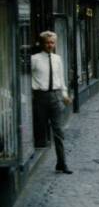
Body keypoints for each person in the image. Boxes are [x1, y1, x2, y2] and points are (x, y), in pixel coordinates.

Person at [31, 31, 73, 174]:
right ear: (42, 43)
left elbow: (61, 78)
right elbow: (26, 77)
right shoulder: (34, 59)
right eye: (47, 42)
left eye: (52, 43)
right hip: (40, 97)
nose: (50, 45)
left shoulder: (57, 59)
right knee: (39, 128)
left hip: (55, 97)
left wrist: (65, 95)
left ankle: (62, 163)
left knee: (58, 131)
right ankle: (32, 157)